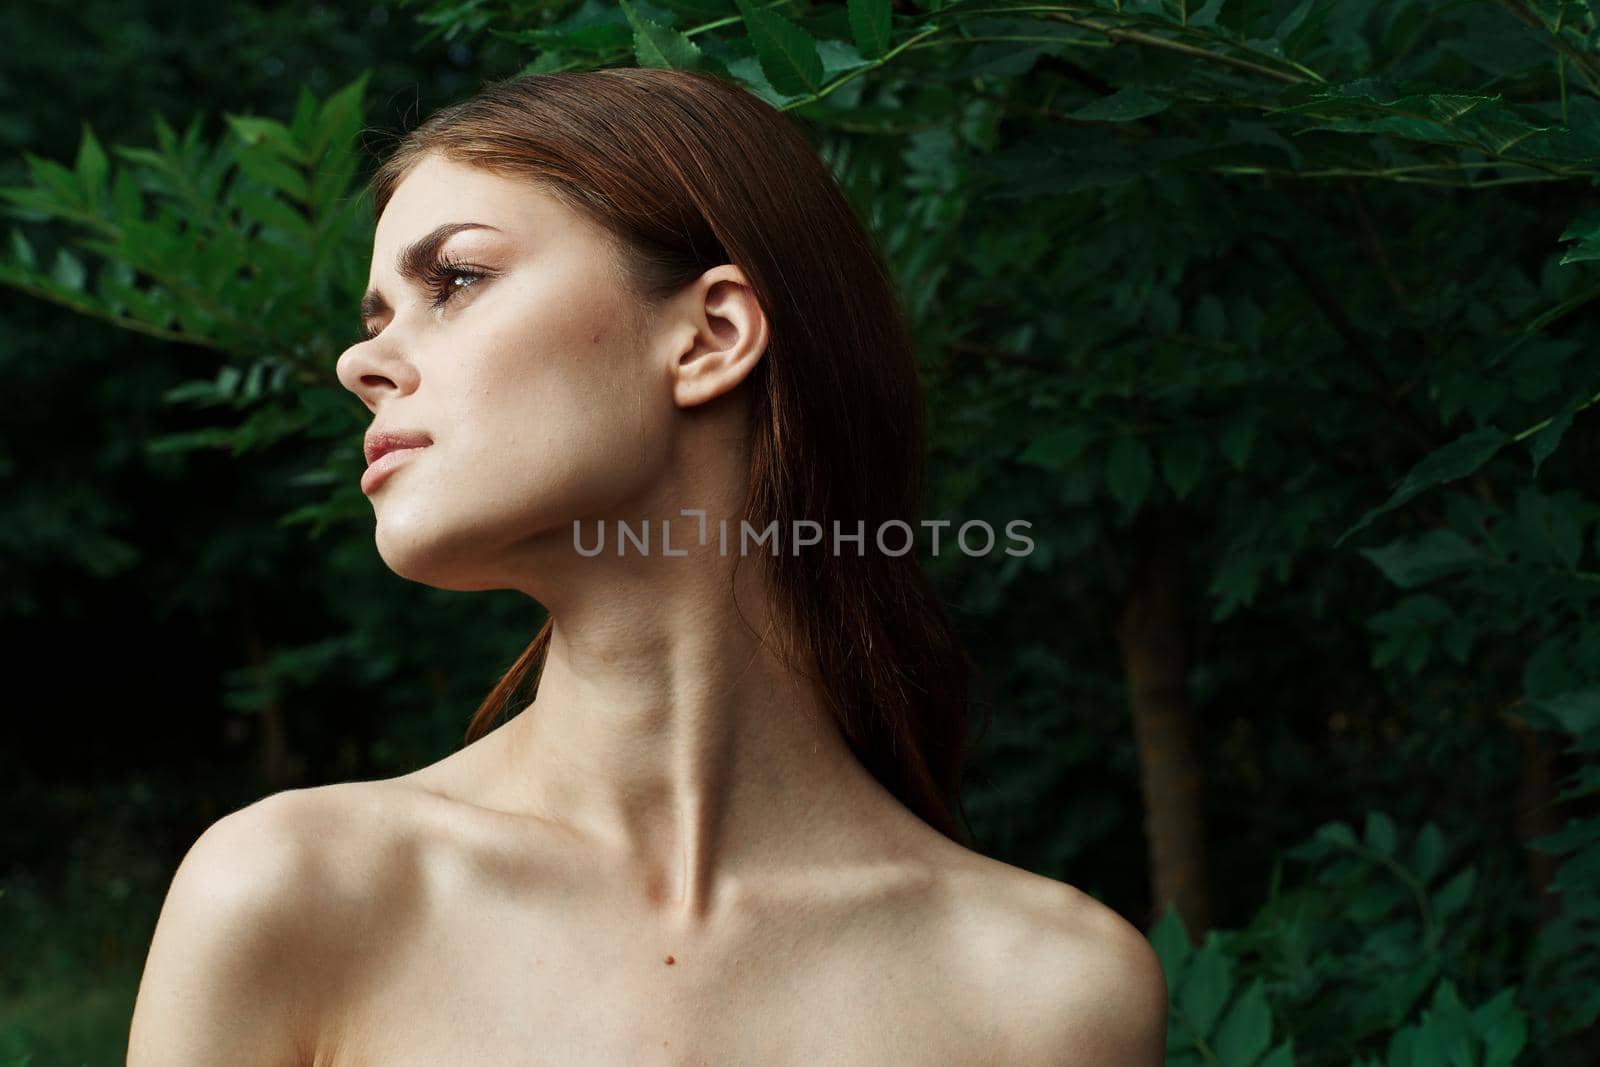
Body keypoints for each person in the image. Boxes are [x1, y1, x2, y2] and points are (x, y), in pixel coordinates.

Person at [126, 67, 1166, 1065]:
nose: (361, 364)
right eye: (376, 318)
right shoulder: (293, 893)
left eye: (456, 279)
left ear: (711, 333)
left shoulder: (1048, 993)